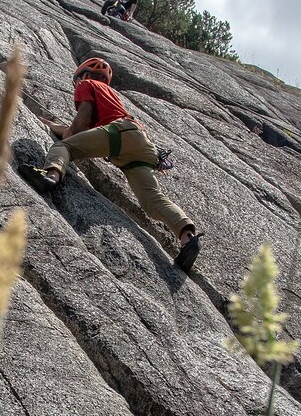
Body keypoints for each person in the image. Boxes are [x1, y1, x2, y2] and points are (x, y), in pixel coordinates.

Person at [18, 58, 204, 272]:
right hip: (141, 145)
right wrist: (54, 126)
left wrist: (66, 135)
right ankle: (187, 238)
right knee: (152, 200)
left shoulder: (86, 85)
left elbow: (81, 125)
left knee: (64, 148)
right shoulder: (111, 96)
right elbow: (87, 131)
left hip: (119, 136)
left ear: (83, 75)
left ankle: (50, 177)